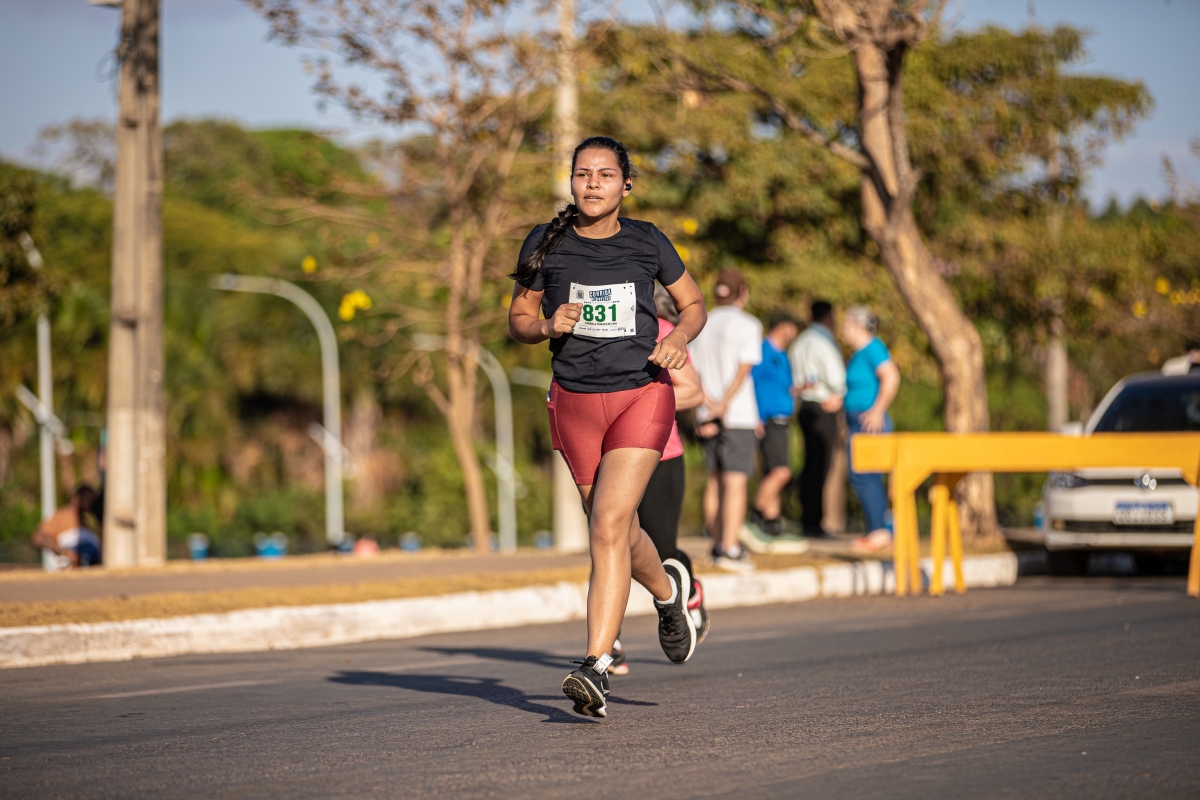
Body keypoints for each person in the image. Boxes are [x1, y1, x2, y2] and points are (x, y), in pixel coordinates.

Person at [508, 136, 708, 719]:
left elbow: (693, 305)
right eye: (582, 173)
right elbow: (518, 318)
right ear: (571, 182)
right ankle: (669, 593)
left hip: (640, 395)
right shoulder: (545, 242)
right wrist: (547, 327)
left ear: (626, 184)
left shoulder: (648, 241)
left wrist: (678, 338)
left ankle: (595, 666)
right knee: (619, 530)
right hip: (574, 402)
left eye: (604, 174)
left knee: (608, 524)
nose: (592, 183)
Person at [611, 283, 712, 677]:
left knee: (662, 550)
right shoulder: (600, 333)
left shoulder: (661, 330)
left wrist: (644, 401)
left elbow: (694, 392)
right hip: (611, 458)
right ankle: (609, 643)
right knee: (609, 541)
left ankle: (690, 593)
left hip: (660, 455)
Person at [690, 268, 762, 570]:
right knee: (735, 481)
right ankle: (730, 547)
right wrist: (723, 404)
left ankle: (716, 544)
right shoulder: (749, 324)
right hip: (737, 414)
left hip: (706, 412)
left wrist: (708, 404)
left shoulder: (701, 324)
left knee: (715, 480)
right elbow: (744, 369)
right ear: (742, 292)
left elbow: (691, 369)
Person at [741, 311, 805, 553]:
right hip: (768, 420)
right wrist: (756, 416)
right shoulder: (763, 351)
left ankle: (772, 523)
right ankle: (754, 519)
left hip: (782, 419)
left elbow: (782, 386)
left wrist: (798, 390)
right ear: (782, 326)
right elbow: (751, 382)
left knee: (772, 471)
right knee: (781, 472)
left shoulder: (783, 355)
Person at [840, 305, 900, 553]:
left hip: (869, 422)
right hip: (857, 420)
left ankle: (879, 533)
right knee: (861, 475)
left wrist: (877, 410)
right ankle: (880, 529)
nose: (842, 329)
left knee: (866, 475)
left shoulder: (873, 347)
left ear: (857, 325)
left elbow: (891, 376)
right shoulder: (859, 354)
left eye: (845, 324)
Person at [789, 300, 847, 538]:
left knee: (810, 464)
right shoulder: (824, 341)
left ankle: (809, 519)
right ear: (828, 317)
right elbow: (836, 377)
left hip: (805, 405)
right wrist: (840, 393)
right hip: (823, 406)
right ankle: (815, 522)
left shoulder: (799, 342)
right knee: (821, 465)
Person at [31, 486, 101, 569]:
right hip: (65, 572)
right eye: (87, 499)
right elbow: (38, 538)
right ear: (77, 498)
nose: (90, 503)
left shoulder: (87, 521)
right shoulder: (62, 516)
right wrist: (63, 552)